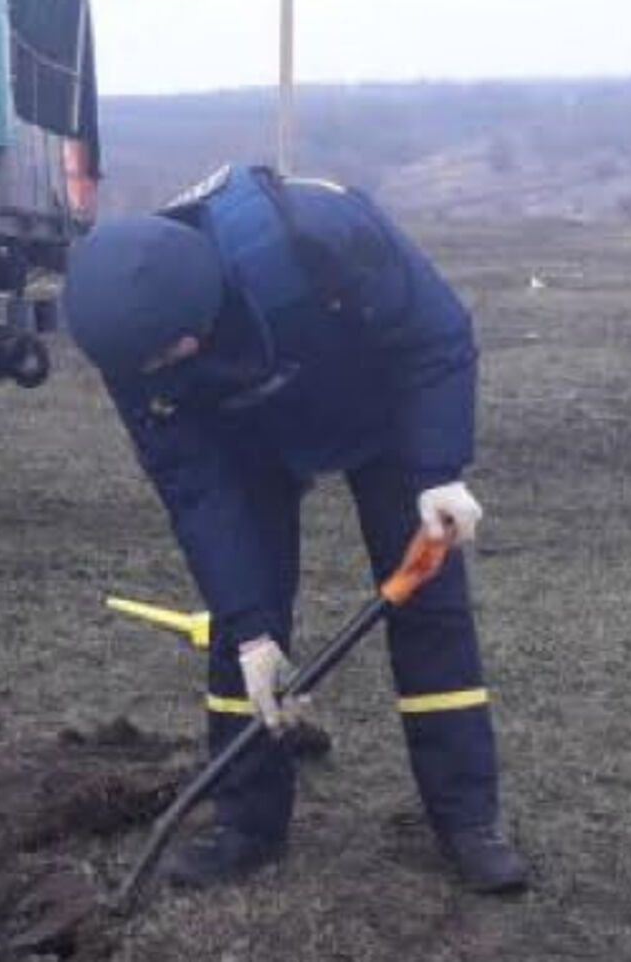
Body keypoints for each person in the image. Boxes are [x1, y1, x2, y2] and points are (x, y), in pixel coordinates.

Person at [62, 165, 529, 894]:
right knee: (242, 629)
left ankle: (467, 819)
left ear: (200, 306)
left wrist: (439, 469)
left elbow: (435, 334)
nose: (156, 373)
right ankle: (246, 824)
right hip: (248, 444)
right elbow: (195, 490)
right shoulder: (132, 347)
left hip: (380, 415)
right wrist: (250, 631)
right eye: (142, 367)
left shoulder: (315, 234)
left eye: (165, 356)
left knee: (429, 610)